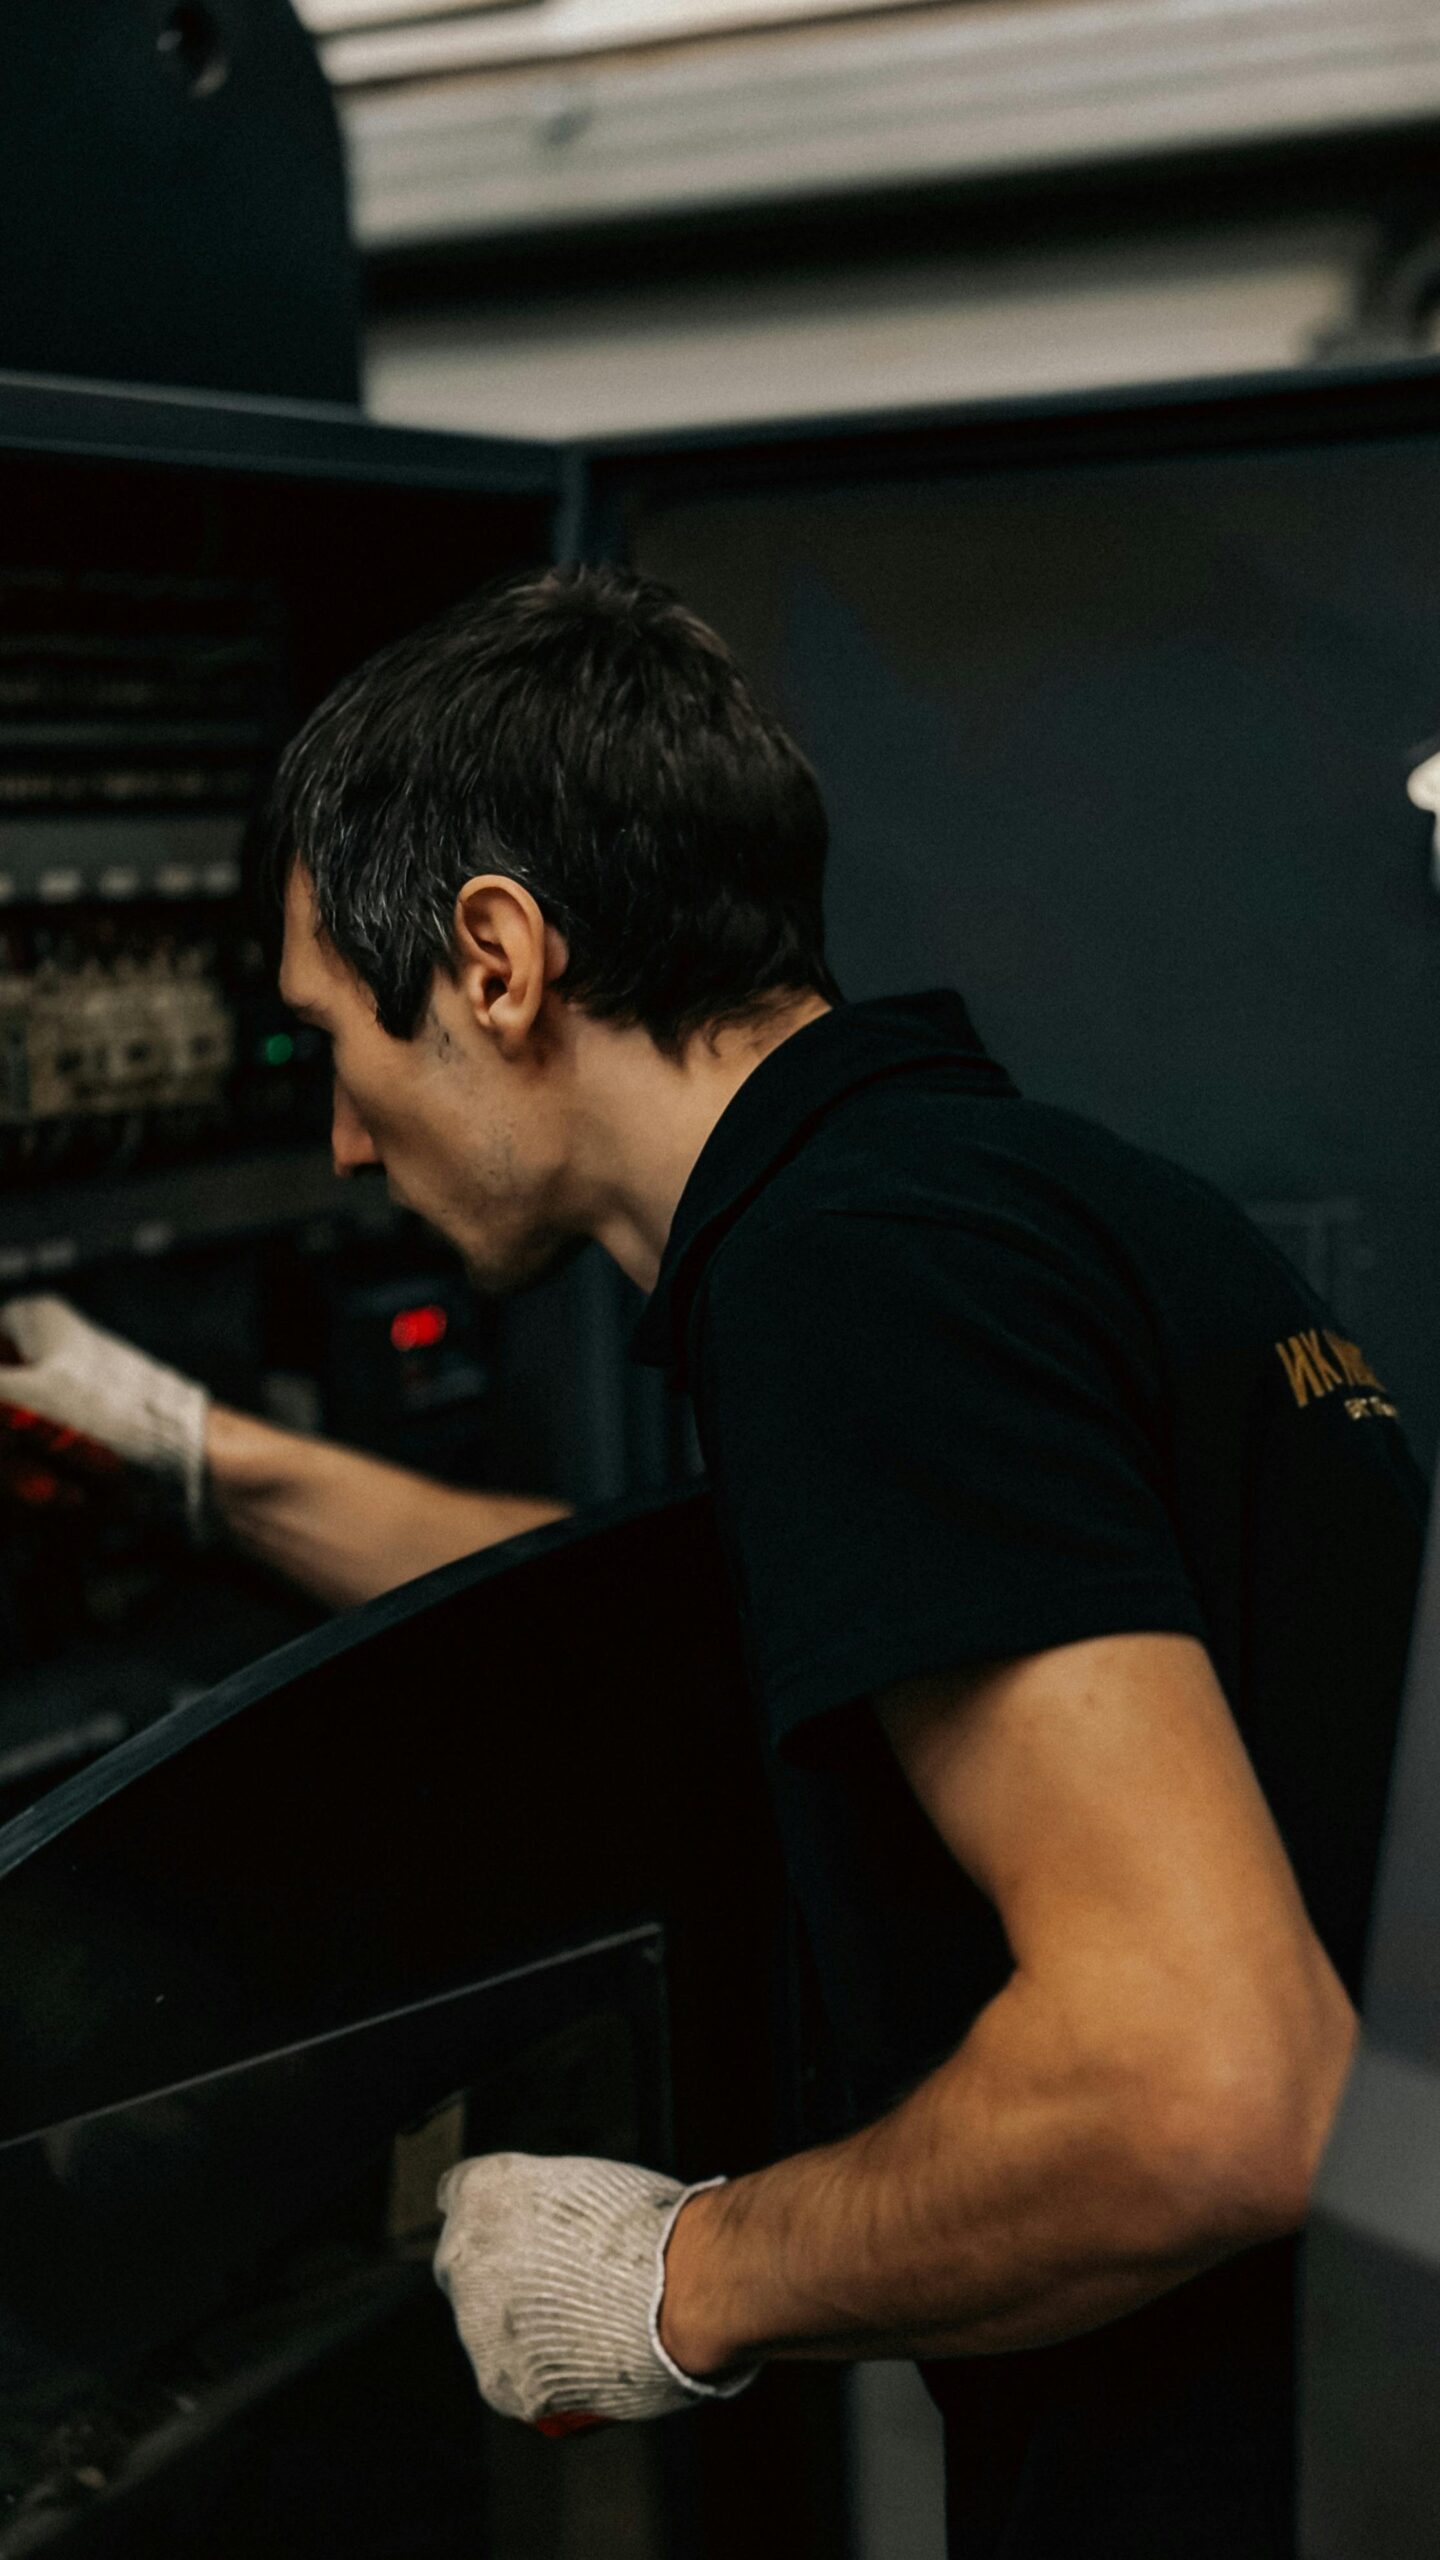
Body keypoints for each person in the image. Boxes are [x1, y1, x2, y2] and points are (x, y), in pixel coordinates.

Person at [0, 568, 1425, 2560]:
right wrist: (197, 1456)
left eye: (336, 1037)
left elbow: (1203, 2086)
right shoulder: (992, 1198)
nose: (338, 1135)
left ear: (495, 959)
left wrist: (682, 2273)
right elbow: (658, 1614)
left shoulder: (858, 1280)